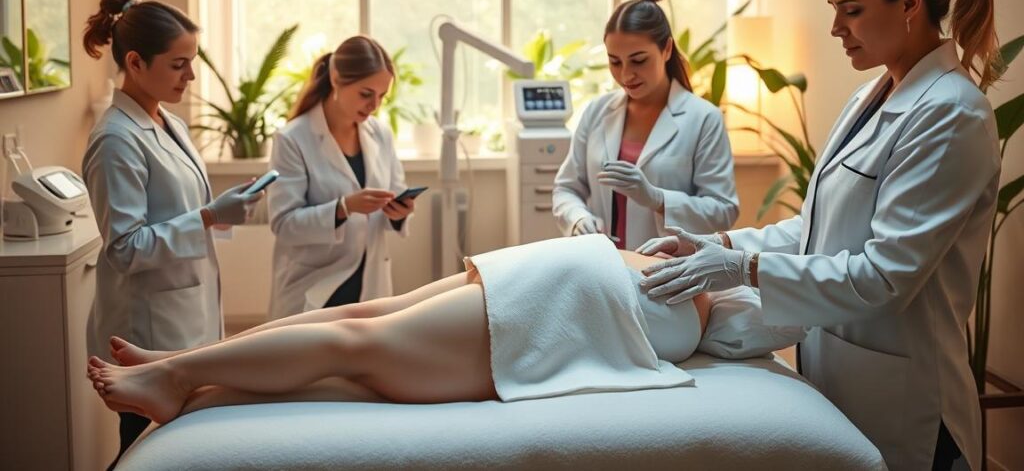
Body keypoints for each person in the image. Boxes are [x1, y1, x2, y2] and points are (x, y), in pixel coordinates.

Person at [638, 0, 1000, 471]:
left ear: (908, 3)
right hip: (840, 374)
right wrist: (715, 243)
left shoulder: (950, 114)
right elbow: (816, 230)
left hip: (907, 401)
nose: (836, 28)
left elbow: (885, 275)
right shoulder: (869, 97)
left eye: (850, 9)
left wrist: (743, 269)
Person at [88, 235, 711, 423]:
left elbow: (766, 289)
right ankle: (182, 362)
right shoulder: (723, 264)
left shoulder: (739, 297)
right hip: (551, 280)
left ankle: (179, 376)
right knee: (362, 319)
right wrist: (700, 249)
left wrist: (717, 261)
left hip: (556, 299)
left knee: (356, 350)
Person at [81, 0, 264, 468]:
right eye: (178, 64)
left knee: (184, 451)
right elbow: (124, 247)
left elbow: (181, 210)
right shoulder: (116, 140)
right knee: (146, 452)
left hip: (186, 316)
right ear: (136, 63)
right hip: (148, 331)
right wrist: (208, 216)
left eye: (193, 61)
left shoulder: (168, 123)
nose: (192, 75)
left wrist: (223, 210)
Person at [553, 0, 739, 249]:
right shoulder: (596, 112)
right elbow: (567, 188)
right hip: (602, 267)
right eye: (614, 61)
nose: (626, 75)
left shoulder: (703, 119)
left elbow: (724, 211)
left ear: (666, 49)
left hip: (668, 270)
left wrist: (658, 199)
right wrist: (578, 218)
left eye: (639, 60)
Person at [267, 35, 413, 319]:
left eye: (382, 96)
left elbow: (395, 190)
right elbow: (284, 224)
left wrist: (399, 213)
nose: (375, 105)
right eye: (365, 93)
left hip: (369, 283)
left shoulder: (380, 134)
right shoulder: (292, 139)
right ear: (336, 78)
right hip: (316, 287)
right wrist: (343, 207)